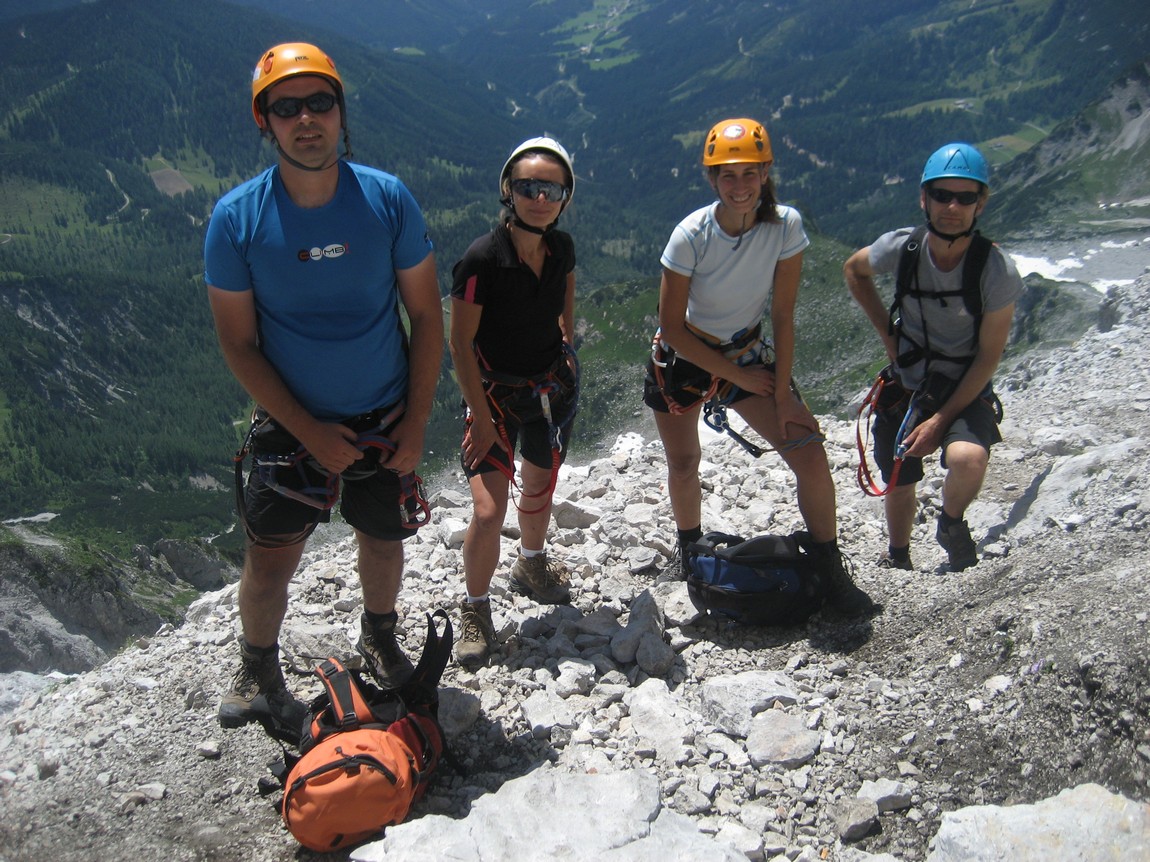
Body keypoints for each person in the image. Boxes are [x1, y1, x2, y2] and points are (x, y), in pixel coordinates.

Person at [203, 43, 442, 740]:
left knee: (384, 539)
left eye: (319, 102)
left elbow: (427, 315)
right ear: (265, 122)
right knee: (270, 559)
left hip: (385, 414)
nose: (306, 119)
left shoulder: (387, 199)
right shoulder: (236, 220)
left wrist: (415, 422)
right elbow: (238, 344)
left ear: (340, 112)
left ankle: (379, 634)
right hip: (293, 425)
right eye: (287, 107)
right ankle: (257, 667)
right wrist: (310, 431)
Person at [643, 117, 877, 617]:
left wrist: (783, 393)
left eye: (750, 172)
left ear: (766, 172)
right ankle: (690, 551)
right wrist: (741, 377)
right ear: (712, 178)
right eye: (728, 175)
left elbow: (783, 314)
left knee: (809, 453)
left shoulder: (785, 226)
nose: (740, 185)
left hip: (745, 352)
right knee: (683, 463)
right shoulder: (689, 235)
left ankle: (830, 568)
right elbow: (674, 328)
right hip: (686, 358)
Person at [843, 142, 1022, 572]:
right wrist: (890, 337)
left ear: (980, 204)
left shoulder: (995, 269)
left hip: (964, 385)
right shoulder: (905, 248)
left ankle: (951, 522)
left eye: (965, 197)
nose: (952, 207)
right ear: (925, 198)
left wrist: (939, 422)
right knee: (899, 477)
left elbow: (987, 359)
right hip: (909, 383)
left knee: (968, 458)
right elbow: (854, 269)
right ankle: (898, 556)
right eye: (942, 195)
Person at [448, 136, 579, 667]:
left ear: (565, 197)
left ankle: (530, 562)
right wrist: (480, 419)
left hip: (546, 389)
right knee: (487, 511)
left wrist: (567, 344)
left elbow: (565, 296)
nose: (540, 198)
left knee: (541, 483)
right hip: (496, 397)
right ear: (509, 190)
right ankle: (475, 608)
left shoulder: (561, 248)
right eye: (529, 187)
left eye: (552, 189)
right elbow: (459, 344)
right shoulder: (482, 259)